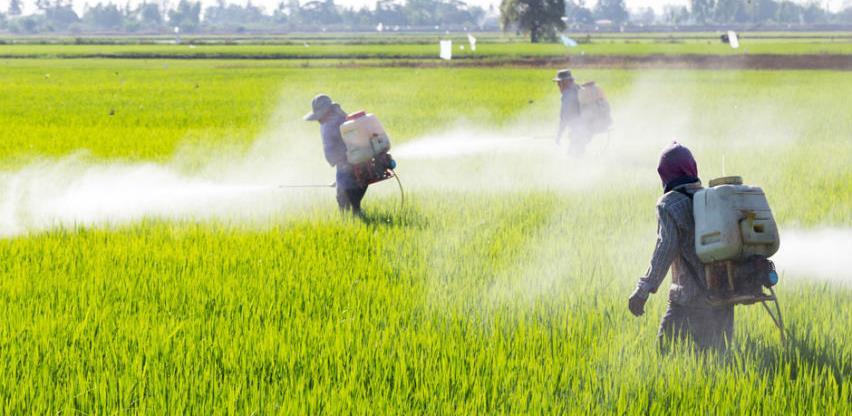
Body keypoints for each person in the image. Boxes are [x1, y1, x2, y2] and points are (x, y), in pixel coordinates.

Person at [628, 142, 735, 353]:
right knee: (719, 362)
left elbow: (664, 249)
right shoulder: (711, 198)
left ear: (665, 174)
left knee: (664, 355)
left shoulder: (669, 204)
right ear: (691, 168)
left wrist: (643, 291)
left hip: (689, 299)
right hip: (724, 294)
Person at [304, 94, 368, 216]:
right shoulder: (342, 117)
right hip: (359, 162)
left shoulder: (330, 125)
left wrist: (341, 179)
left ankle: (352, 220)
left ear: (326, 112)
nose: (318, 120)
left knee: (344, 201)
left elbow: (335, 153)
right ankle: (356, 215)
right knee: (353, 199)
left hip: (348, 164)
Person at [554, 69, 593, 156]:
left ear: (565, 82)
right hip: (588, 128)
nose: (558, 85)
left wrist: (559, 135)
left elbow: (563, 117)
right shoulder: (578, 88)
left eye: (559, 83)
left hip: (580, 131)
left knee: (573, 156)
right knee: (578, 154)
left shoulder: (567, 95)